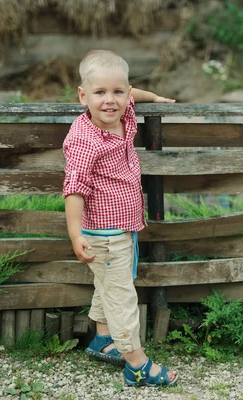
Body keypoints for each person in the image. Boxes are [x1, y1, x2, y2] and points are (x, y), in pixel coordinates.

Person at [62, 50, 178, 387]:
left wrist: (153, 97)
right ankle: (137, 364)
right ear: (83, 95)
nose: (110, 100)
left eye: (118, 92)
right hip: (103, 233)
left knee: (108, 285)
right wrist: (74, 233)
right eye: (99, 93)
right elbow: (74, 188)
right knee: (121, 296)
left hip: (122, 228)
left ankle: (103, 339)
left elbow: (132, 93)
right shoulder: (85, 139)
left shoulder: (123, 112)